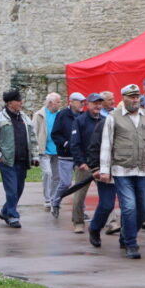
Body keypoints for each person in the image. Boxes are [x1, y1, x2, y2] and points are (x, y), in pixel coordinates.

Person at [99, 84, 145, 259]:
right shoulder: (113, 117)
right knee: (129, 207)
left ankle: (125, 234)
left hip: (142, 170)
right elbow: (106, 144)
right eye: (131, 97)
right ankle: (131, 243)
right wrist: (105, 170)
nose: (135, 100)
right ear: (124, 98)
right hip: (122, 170)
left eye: (137, 96)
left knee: (144, 208)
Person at [0, 89, 39, 229]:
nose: (21, 102)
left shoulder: (25, 118)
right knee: (12, 190)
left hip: (23, 160)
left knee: (19, 189)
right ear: (10, 103)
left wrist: (34, 155)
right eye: (18, 100)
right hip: (7, 161)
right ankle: (12, 216)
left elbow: (33, 138)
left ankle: (5, 211)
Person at [59, 93, 106, 233]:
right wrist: (80, 162)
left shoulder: (105, 120)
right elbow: (74, 144)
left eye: (99, 103)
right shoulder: (80, 121)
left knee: (106, 194)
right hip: (85, 165)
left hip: (101, 165)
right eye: (95, 103)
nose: (98, 106)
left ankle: (112, 222)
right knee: (80, 195)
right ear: (88, 105)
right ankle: (78, 222)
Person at [83, 96, 119, 248]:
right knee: (107, 204)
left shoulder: (138, 123)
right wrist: (96, 168)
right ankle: (95, 228)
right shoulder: (105, 124)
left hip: (129, 171)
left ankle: (127, 238)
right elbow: (94, 147)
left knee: (132, 206)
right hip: (107, 171)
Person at [49, 92, 86, 225]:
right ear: (72, 102)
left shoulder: (83, 116)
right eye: (80, 101)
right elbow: (55, 134)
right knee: (65, 183)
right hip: (65, 155)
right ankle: (55, 202)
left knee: (81, 184)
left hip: (80, 156)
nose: (82, 104)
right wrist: (65, 144)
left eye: (83, 102)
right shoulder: (62, 115)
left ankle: (80, 211)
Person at [32, 92, 62, 210]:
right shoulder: (39, 115)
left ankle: (54, 197)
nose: (60, 104)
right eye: (58, 102)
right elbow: (33, 133)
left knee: (57, 176)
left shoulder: (60, 114)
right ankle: (47, 198)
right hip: (44, 150)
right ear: (50, 103)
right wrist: (34, 151)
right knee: (48, 173)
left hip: (57, 150)